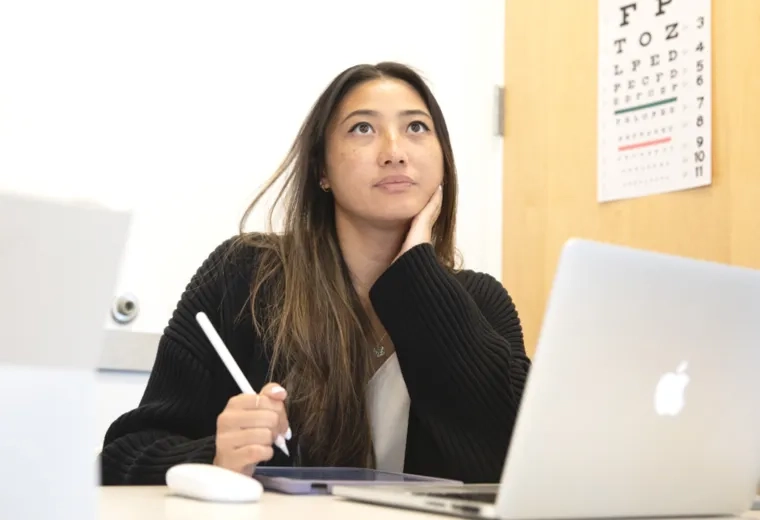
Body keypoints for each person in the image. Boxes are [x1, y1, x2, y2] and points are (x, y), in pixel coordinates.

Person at [100, 61, 531, 486]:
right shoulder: (246, 276)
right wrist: (214, 456)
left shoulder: (481, 302)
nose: (395, 151)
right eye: (363, 128)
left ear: (443, 160)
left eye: (416, 127)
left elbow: (511, 465)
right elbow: (124, 456)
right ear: (321, 169)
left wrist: (418, 273)